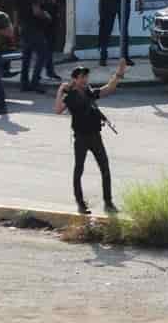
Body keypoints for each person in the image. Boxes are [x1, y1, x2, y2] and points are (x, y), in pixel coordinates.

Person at [54, 59, 130, 215]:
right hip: (81, 138)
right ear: (74, 79)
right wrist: (60, 91)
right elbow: (58, 109)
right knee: (79, 170)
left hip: (95, 136)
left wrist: (119, 73)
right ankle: (81, 204)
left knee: (105, 168)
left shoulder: (89, 92)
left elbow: (108, 89)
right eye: (81, 77)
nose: (84, 80)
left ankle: (108, 202)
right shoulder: (71, 96)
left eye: (86, 77)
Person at [16, 0, 50, 94]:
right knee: (43, 54)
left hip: (24, 26)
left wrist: (16, 26)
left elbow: (16, 9)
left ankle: (24, 83)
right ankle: (35, 82)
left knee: (27, 56)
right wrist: (46, 15)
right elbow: (36, 11)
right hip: (34, 27)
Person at [34, 0, 62, 80]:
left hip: (49, 21)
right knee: (41, 49)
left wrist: (55, 14)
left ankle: (49, 71)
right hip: (39, 21)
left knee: (49, 47)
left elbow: (52, 1)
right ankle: (38, 73)